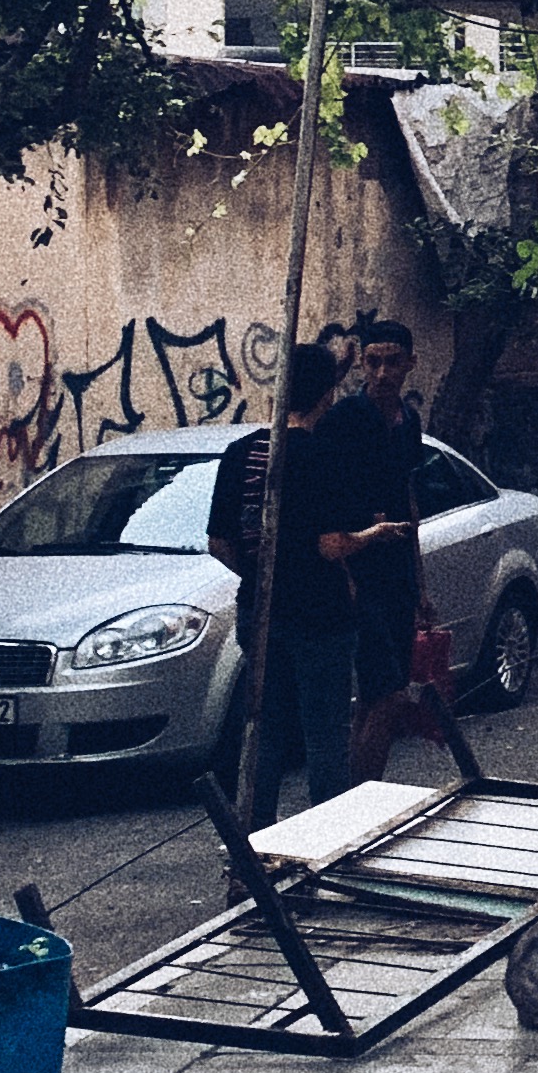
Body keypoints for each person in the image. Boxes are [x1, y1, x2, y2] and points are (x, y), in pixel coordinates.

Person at [205, 342, 400, 825]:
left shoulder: (241, 453)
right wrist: (373, 535)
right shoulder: (322, 455)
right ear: (327, 393)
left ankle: (254, 845)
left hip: (261, 613)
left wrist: (261, 573)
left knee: (265, 733)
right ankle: (326, 851)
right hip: (321, 617)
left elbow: (220, 543)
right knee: (325, 741)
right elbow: (331, 545)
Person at [329, 318, 427, 766]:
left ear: (409, 363)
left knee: (378, 694)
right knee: (388, 692)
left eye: (392, 362)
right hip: (358, 570)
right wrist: (343, 575)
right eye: (373, 362)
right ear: (362, 365)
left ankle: (358, 794)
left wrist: (421, 586)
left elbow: (409, 499)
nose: (383, 372)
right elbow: (323, 497)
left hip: (398, 575)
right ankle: (361, 794)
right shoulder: (347, 417)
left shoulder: (409, 421)